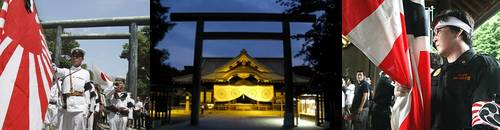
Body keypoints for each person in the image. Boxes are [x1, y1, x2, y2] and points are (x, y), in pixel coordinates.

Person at [429, 9, 500, 129]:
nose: (434, 39)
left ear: (458, 31)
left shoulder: (484, 66)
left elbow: (486, 122)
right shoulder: (436, 74)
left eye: (438, 31)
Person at [53, 47, 91, 130]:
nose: (75, 58)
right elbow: (55, 70)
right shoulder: (65, 71)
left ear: (82, 59)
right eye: (73, 56)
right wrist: (52, 65)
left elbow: (87, 92)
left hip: (79, 108)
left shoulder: (85, 73)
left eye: (78, 56)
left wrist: (86, 108)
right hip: (64, 108)